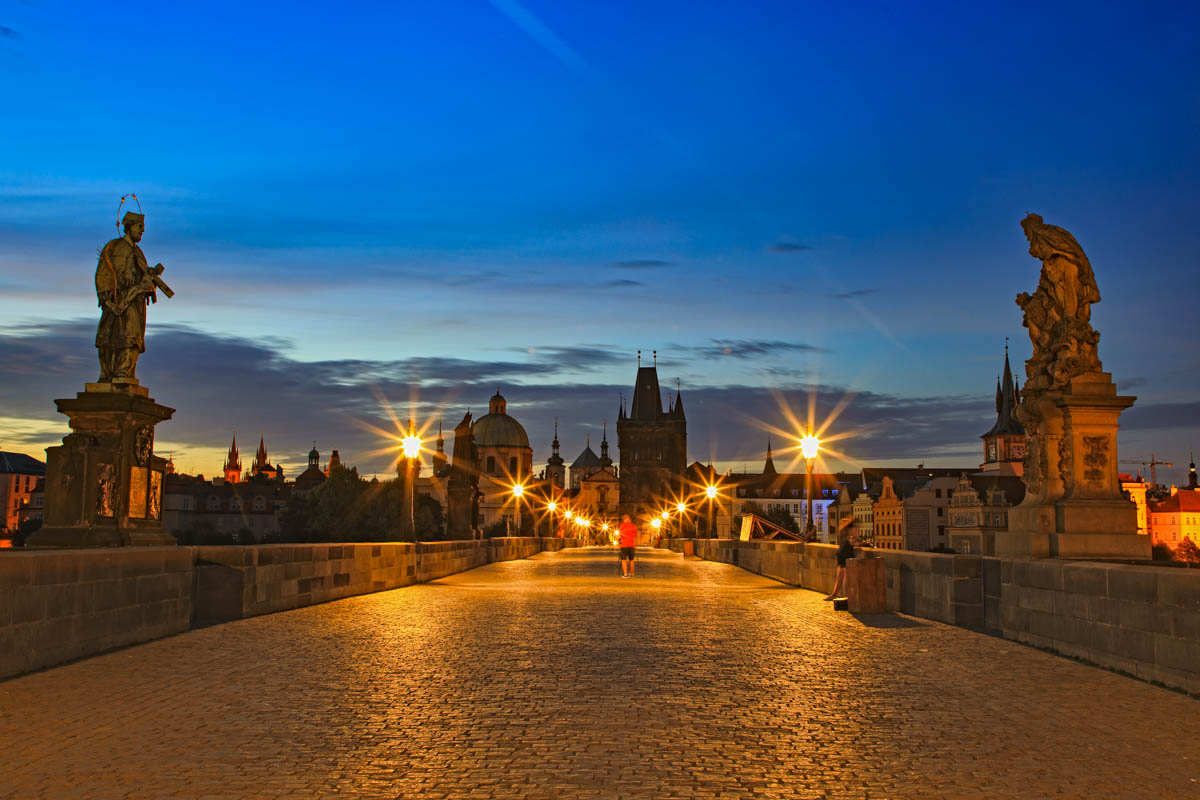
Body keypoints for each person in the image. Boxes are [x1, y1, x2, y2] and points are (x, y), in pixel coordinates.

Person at [95, 211, 167, 383]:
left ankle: (123, 372)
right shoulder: (113, 246)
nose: (142, 230)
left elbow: (144, 278)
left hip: (134, 302)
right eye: (139, 227)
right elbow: (103, 272)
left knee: (132, 337)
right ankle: (107, 373)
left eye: (143, 228)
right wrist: (107, 297)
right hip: (116, 298)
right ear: (128, 226)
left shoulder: (139, 253)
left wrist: (149, 286)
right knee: (110, 336)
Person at [825, 518, 857, 600]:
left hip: (846, 554)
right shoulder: (844, 531)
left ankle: (845, 597)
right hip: (842, 554)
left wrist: (852, 540)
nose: (841, 523)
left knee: (845, 577)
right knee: (840, 577)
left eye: (843, 522)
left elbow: (852, 541)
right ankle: (835, 595)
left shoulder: (850, 530)